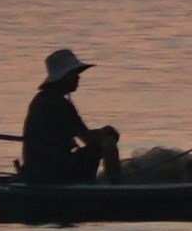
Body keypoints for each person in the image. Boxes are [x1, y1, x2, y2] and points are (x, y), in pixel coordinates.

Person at [20, 47, 121, 183]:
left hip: (39, 169)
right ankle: (115, 186)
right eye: (74, 74)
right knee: (108, 142)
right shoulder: (59, 104)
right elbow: (87, 139)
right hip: (53, 172)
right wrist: (105, 132)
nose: (78, 77)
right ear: (63, 77)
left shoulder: (41, 99)